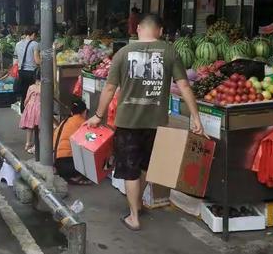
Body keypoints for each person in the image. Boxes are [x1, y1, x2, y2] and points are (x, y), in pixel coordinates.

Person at [87, 14, 204, 232]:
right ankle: (138, 204)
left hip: (127, 122)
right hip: (156, 122)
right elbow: (185, 87)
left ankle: (133, 216)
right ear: (159, 31)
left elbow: (110, 89)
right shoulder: (170, 51)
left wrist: (98, 115)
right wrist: (196, 118)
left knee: (130, 168)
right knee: (145, 166)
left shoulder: (122, 53)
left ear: (138, 29)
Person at [53, 99, 92, 185]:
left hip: (55, 161)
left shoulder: (65, 121)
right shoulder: (82, 123)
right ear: (85, 112)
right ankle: (75, 176)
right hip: (67, 164)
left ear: (71, 112)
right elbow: (91, 141)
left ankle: (68, 175)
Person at [15, 26, 41, 112]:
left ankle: (23, 110)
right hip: (31, 72)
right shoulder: (35, 44)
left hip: (21, 71)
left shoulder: (18, 44)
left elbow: (16, 60)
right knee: (32, 94)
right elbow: (37, 61)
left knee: (24, 93)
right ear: (33, 34)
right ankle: (31, 113)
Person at [19, 68, 41, 154]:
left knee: (30, 127)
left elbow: (26, 99)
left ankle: (28, 143)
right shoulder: (44, 87)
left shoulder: (31, 87)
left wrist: (26, 106)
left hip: (31, 108)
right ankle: (37, 146)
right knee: (39, 128)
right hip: (40, 108)